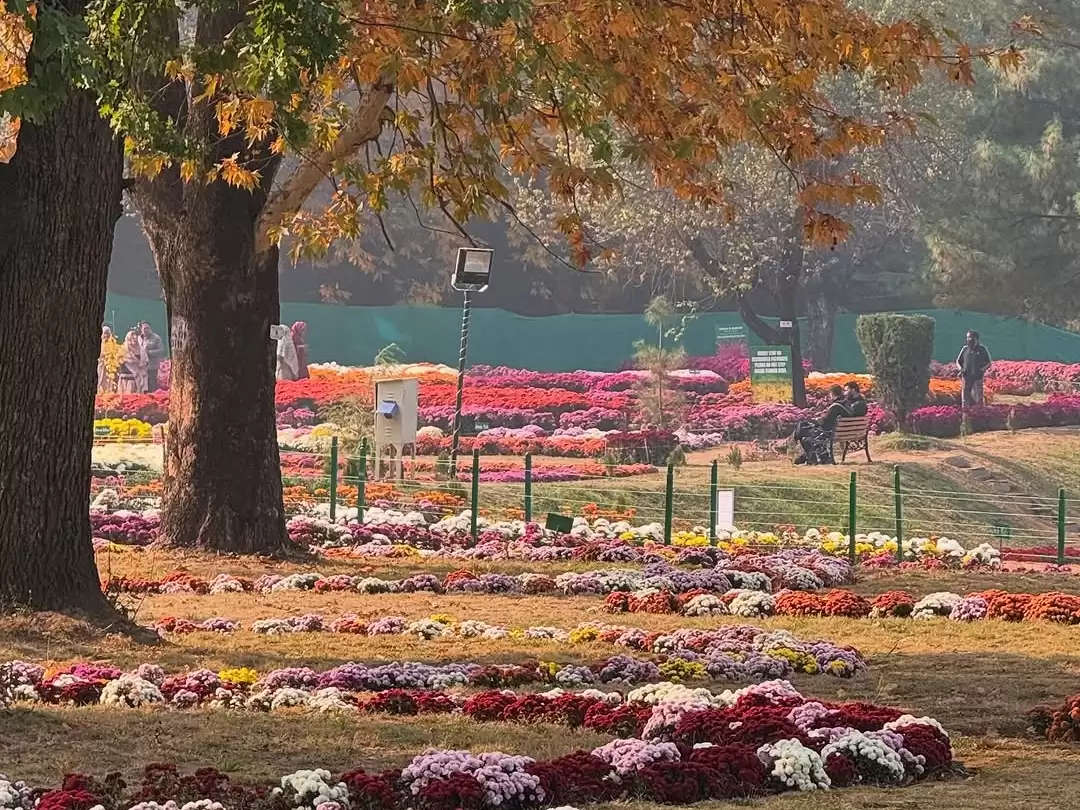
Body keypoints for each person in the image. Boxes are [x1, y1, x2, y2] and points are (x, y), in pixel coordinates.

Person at [793, 384, 850, 465]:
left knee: (802, 431)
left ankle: (810, 457)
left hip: (828, 432)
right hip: (841, 432)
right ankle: (819, 457)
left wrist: (817, 420)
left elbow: (825, 423)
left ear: (832, 393)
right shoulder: (845, 403)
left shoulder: (836, 406)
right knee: (803, 425)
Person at [956, 330, 991, 407]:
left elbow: (989, 363)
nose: (968, 339)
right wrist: (960, 369)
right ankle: (965, 413)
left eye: (970, 337)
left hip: (977, 377)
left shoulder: (982, 349)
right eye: (967, 337)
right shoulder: (964, 349)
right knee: (965, 397)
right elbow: (958, 361)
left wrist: (982, 370)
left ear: (976, 338)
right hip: (966, 377)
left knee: (978, 397)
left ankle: (979, 414)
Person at [117, 328, 148, 393]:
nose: (134, 339)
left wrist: (142, 364)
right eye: (132, 338)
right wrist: (130, 361)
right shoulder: (124, 349)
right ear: (128, 339)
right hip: (127, 378)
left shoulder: (141, 349)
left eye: (135, 337)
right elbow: (120, 360)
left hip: (139, 377)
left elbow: (145, 360)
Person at [139, 321, 165, 392]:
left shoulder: (156, 338)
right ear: (141, 329)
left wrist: (149, 353)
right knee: (143, 385)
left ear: (150, 329)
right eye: (144, 328)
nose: (146, 330)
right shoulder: (139, 338)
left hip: (152, 365)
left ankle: (152, 399)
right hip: (141, 367)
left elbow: (161, 350)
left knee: (152, 384)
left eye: (148, 328)